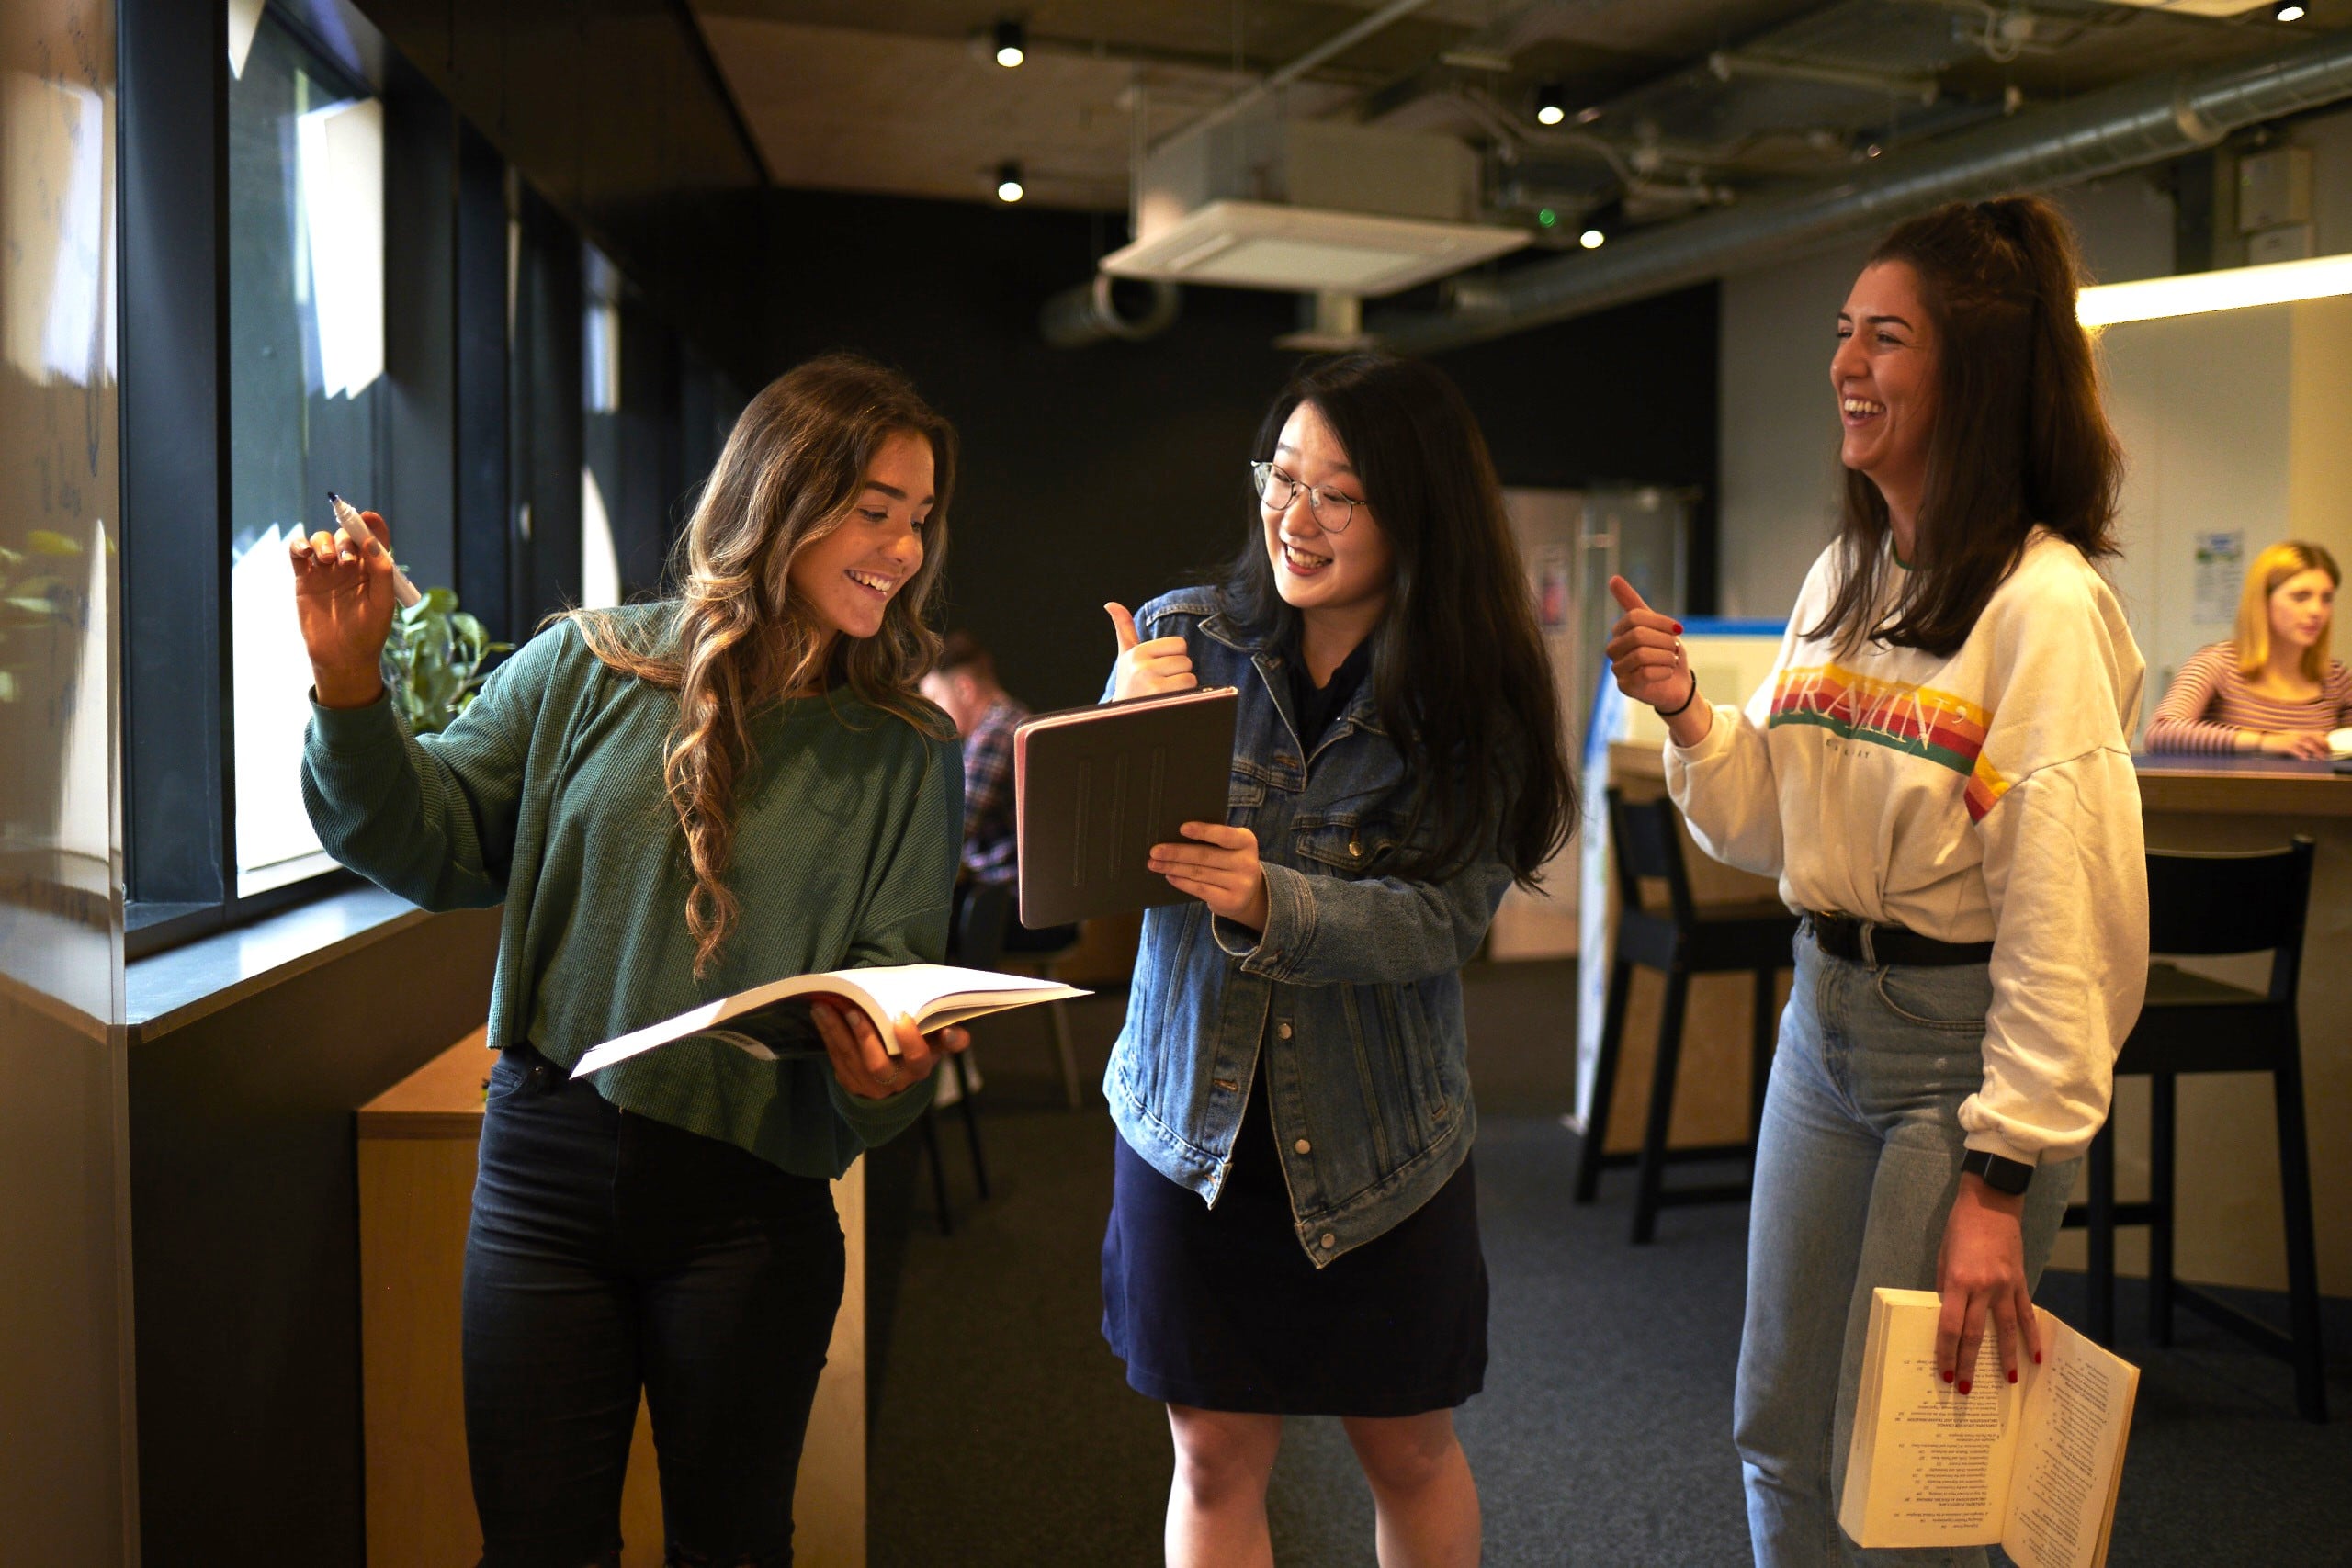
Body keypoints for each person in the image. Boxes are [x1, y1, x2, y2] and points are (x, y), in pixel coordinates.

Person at [293, 355, 969, 1568]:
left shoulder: (903, 746)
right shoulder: (585, 668)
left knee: (732, 1542)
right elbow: (430, 837)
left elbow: (898, 976)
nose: (905, 547)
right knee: (537, 1544)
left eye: (919, 519)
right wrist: (351, 688)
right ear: (784, 496)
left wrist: (888, 1069)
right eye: (877, 510)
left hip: (750, 1198)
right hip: (542, 1180)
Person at [1606, 197, 2149, 1566]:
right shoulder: (1846, 571)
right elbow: (1770, 820)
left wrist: (2001, 1175)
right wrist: (1686, 713)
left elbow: (2064, 926)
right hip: (1822, 1022)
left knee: (1914, 1467)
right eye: (1843, 334)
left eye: (1885, 338)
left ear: (1974, 374)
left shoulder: (2046, 606)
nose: (1847, 364)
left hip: (1956, 1062)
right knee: (1777, 1420)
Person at [1097, 352, 1575, 1568]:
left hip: (1381, 1138)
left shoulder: (1476, 698)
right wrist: (1111, 730)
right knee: (1211, 1455)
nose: (1293, 518)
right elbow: (1090, 882)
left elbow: (1446, 921)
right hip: (1189, 1124)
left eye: (1339, 493)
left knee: (1408, 1448)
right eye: (1283, 477)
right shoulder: (1181, 637)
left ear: (1418, 509)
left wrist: (1274, 898)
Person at [2143, 540, 2350, 756]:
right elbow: (2161, 731)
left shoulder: (2336, 680)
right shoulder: (2217, 664)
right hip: (2228, 791)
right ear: (2263, 601)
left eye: (2326, 599)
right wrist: (2264, 742)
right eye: (2300, 597)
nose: (2317, 610)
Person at [922, 630, 1027, 887]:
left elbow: (953, 824)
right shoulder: (1011, 719)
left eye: (935, 698)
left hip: (1006, 900)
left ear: (964, 689)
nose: (930, 713)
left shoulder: (997, 732)